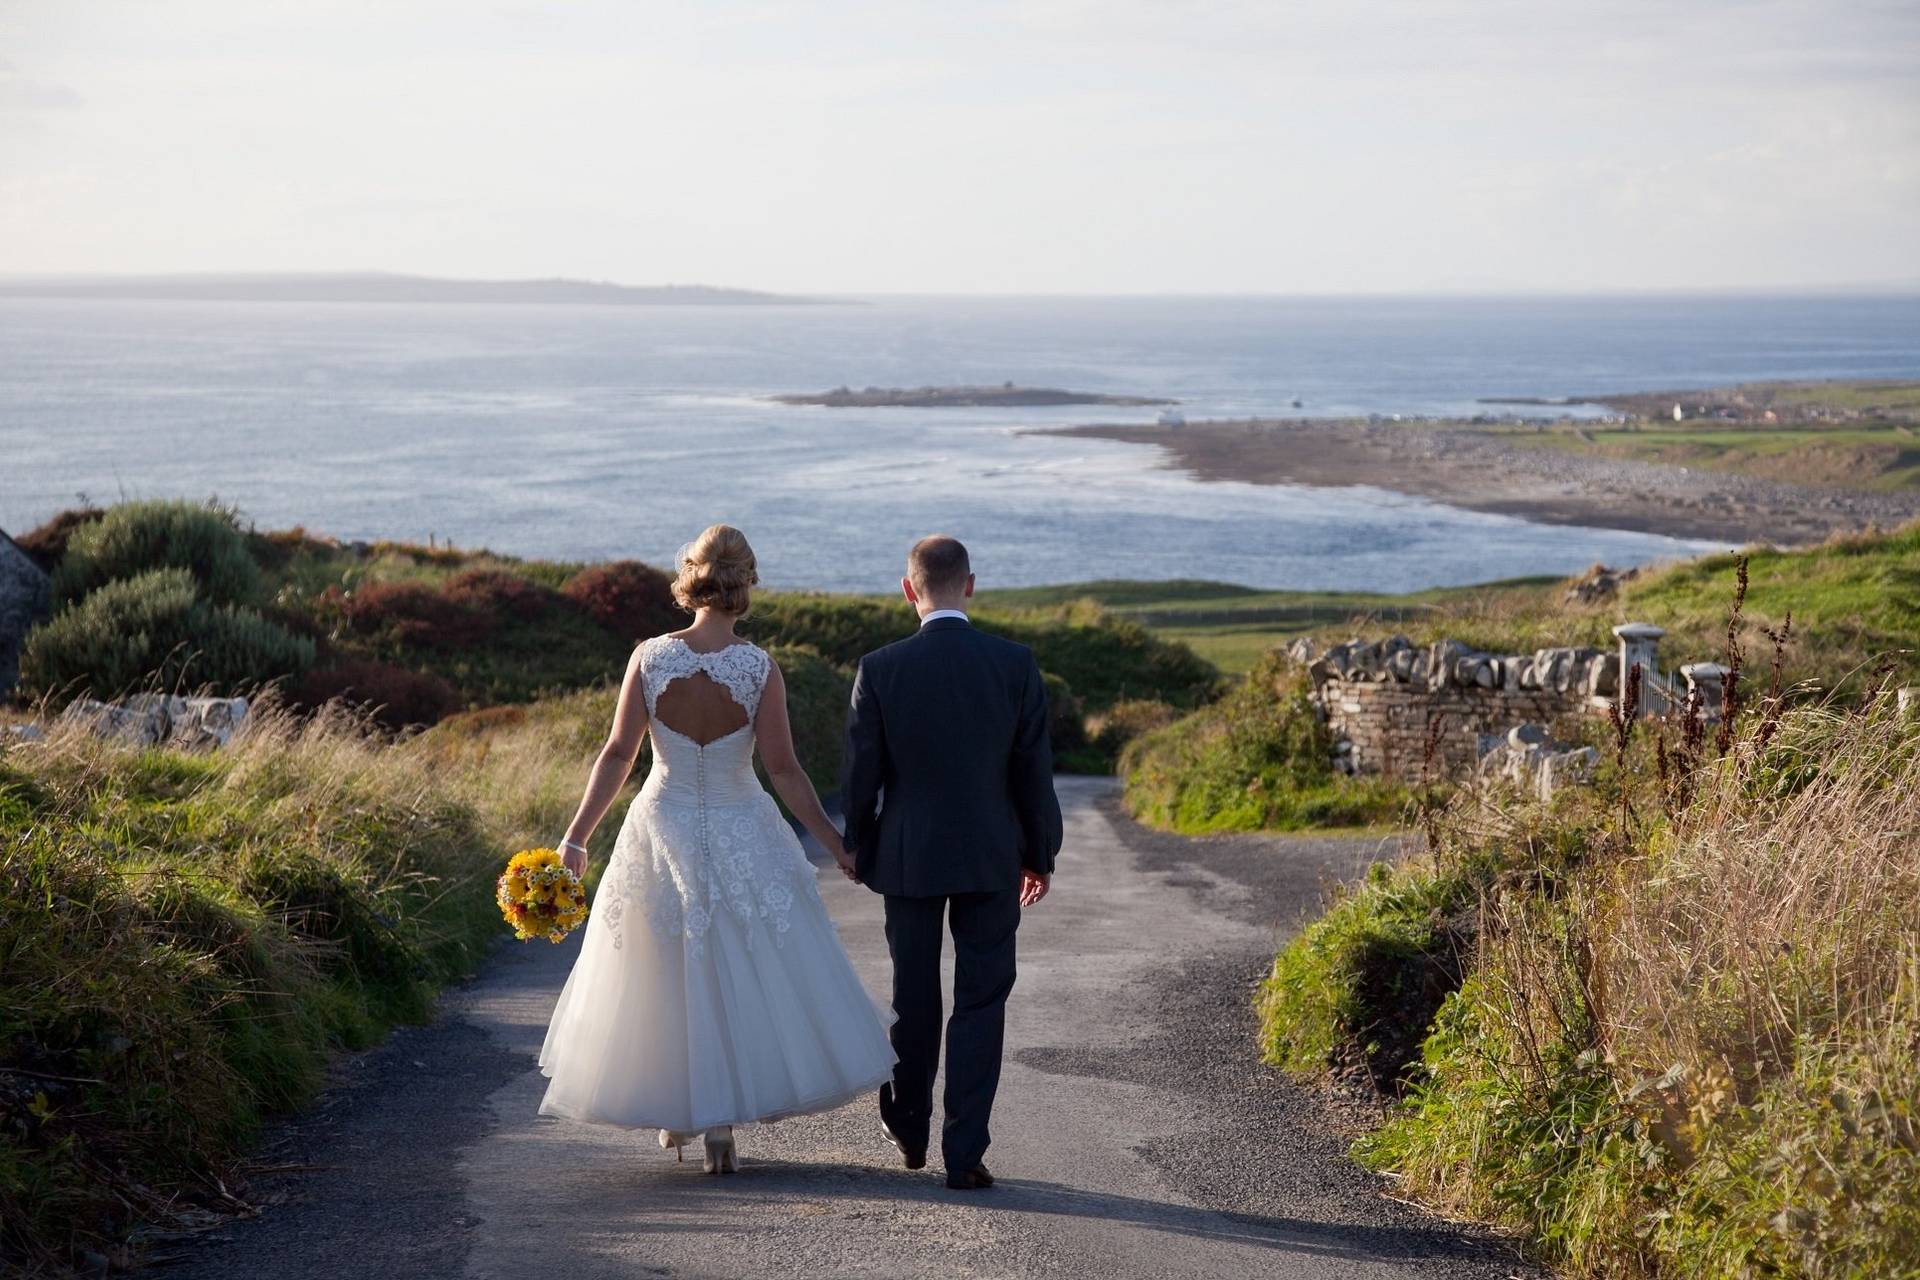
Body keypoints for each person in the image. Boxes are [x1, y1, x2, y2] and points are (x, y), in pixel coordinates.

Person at [536, 524, 894, 1174]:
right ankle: (719, 1125)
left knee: (668, 970)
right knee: (736, 968)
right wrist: (836, 843)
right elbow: (784, 770)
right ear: (746, 583)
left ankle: (682, 1113)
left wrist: (576, 837)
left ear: (691, 576)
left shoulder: (650, 657)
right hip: (741, 826)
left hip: (662, 823)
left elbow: (618, 754)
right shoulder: (758, 668)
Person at [841, 534, 1064, 1190]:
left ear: (909, 590)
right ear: (970, 585)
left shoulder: (880, 668)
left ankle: (908, 1125)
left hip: (908, 857)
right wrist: (1039, 854)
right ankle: (964, 1153)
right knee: (982, 1000)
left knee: (913, 994)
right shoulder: (1014, 664)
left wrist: (856, 843)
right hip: (994, 857)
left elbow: (861, 775)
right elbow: (1033, 772)